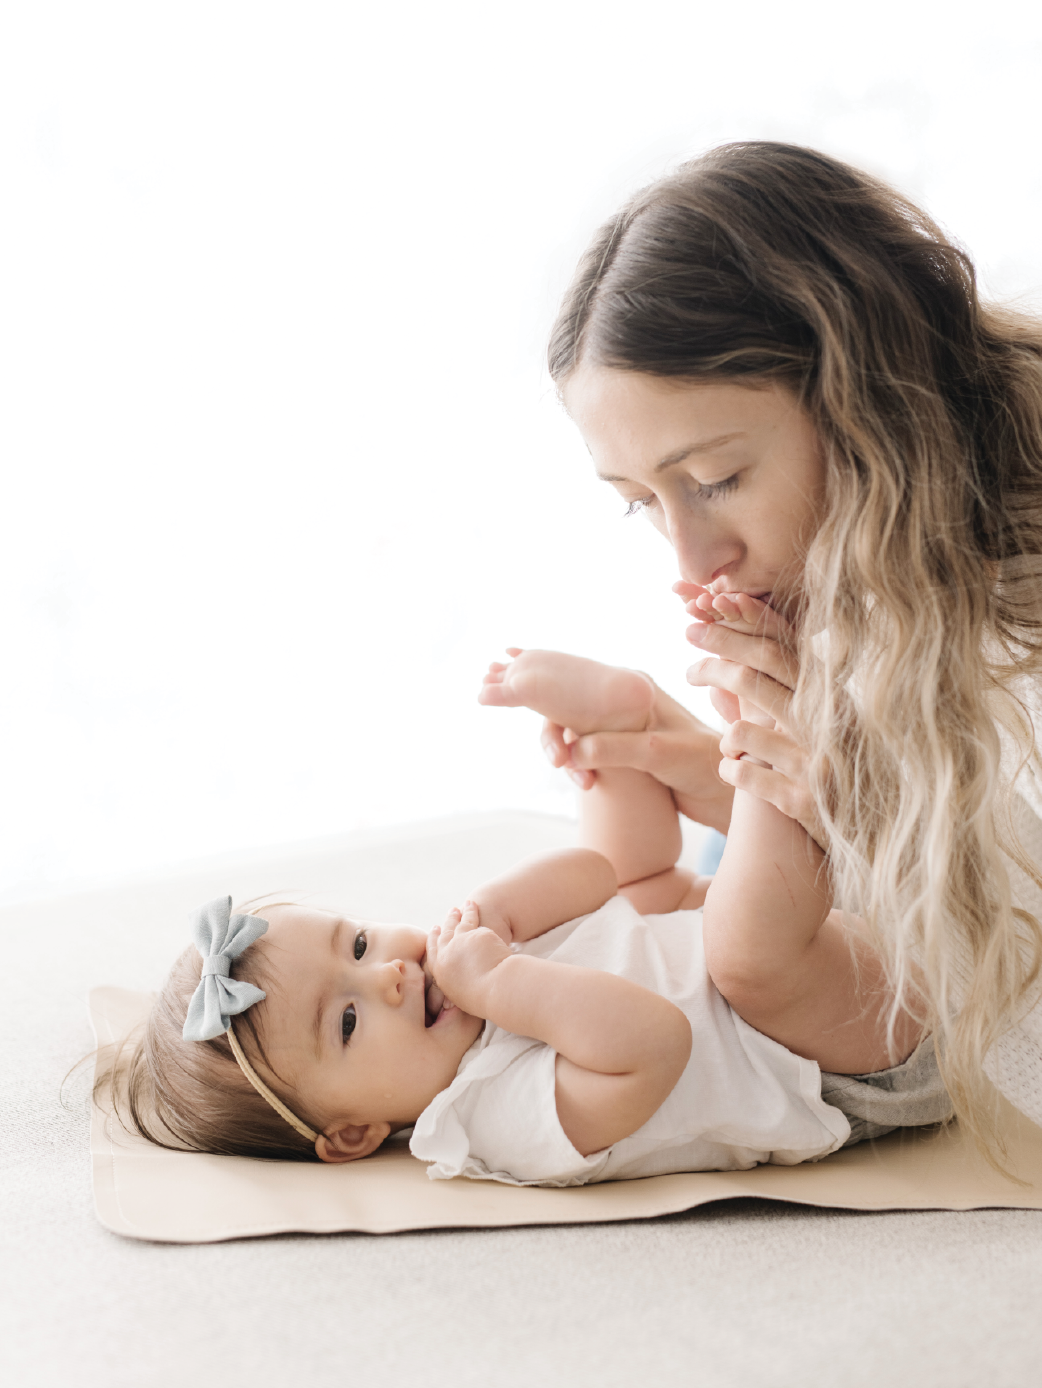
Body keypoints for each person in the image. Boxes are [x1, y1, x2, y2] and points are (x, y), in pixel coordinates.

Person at [541, 139, 1042, 1159]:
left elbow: (1001, 977)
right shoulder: (876, 576)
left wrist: (851, 803)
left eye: (716, 475)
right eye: (641, 502)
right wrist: (739, 774)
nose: (691, 554)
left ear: (866, 400)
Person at [101, 649, 948, 1181]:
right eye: (350, 1019)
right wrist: (506, 979)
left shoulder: (465, 967)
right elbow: (654, 1041)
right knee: (744, 954)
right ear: (353, 1132)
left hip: (797, 947)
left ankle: (615, 730)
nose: (391, 972)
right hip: (852, 1059)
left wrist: (503, 914)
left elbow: (594, 876)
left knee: (639, 878)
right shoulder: (485, 1124)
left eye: (357, 943)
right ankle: (777, 743)